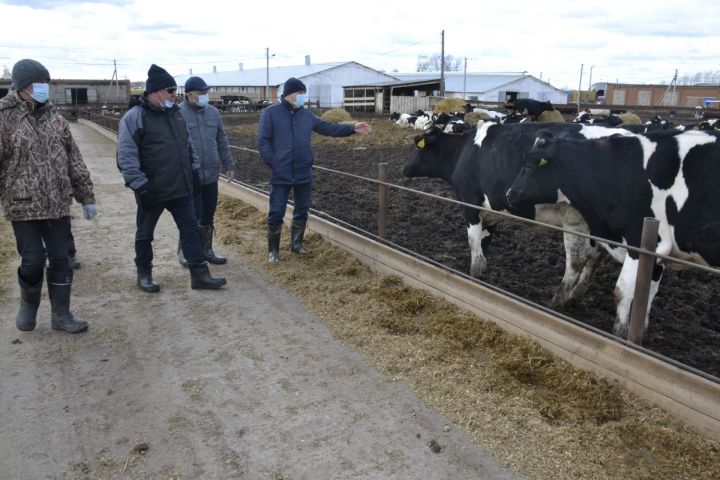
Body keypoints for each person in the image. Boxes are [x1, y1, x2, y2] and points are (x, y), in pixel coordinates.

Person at [0, 58, 97, 333]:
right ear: (21, 86)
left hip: (57, 203)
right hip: (22, 204)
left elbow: (73, 159)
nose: (43, 87)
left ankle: (61, 315)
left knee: (61, 259)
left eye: (45, 82)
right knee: (32, 259)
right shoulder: (4, 117)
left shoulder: (55, 118)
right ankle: (28, 305)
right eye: (37, 83)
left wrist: (86, 196)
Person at [116, 64, 226, 293]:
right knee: (145, 234)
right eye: (169, 90)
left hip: (180, 187)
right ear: (154, 92)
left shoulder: (175, 115)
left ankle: (199, 274)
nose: (174, 94)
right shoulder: (135, 117)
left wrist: (194, 171)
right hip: (152, 189)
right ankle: (144, 273)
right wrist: (139, 185)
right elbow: (126, 156)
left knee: (190, 230)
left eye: (175, 90)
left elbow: (188, 146)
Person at [257, 77, 372, 263]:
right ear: (289, 93)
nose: (303, 97)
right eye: (300, 93)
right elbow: (263, 141)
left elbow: (328, 128)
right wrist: (274, 163)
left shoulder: (306, 115)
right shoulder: (271, 113)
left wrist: (351, 128)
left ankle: (296, 245)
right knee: (276, 211)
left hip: (303, 171)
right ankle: (273, 251)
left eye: (304, 93)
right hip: (281, 172)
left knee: (302, 210)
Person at [177, 76, 237, 267]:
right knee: (191, 215)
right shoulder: (177, 114)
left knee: (208, 213)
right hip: (189, 175)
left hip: (211, 172)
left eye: (206, 93)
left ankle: (206, 250)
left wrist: (228, 164)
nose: (205, 96)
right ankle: (186, 251)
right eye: (201, 93)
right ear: (189, 95)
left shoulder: (213, 113)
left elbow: (222, 140)